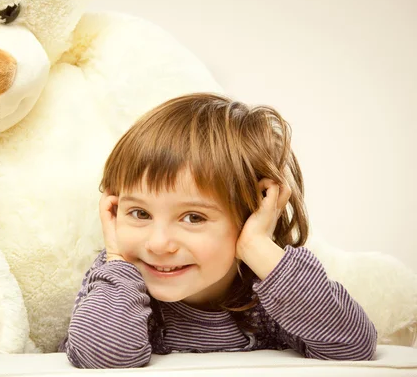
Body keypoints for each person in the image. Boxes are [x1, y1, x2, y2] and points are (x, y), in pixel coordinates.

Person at [60, 93, 377, 368]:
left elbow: (353, 345)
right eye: (140, 213)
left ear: (253, 213)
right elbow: (102, 357)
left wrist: (257, 246)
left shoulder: (274, 287)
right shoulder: (119, 279)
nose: (158, 244)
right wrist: (117, 257)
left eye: (193, 218)